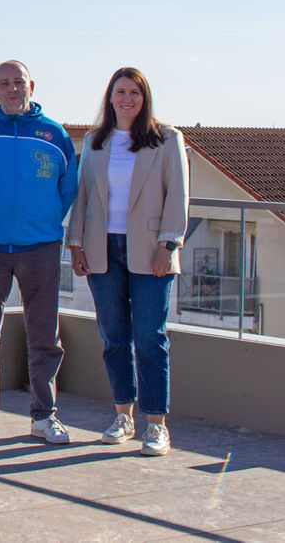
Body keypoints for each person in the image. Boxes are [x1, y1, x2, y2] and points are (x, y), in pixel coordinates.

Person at [67, 67, 189, 457]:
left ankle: (156, 424)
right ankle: (123, 416)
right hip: (102, 249)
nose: (127, 99)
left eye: (135, 92)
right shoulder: (96, 141)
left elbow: (178, 196)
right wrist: (76, 244)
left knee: (151, 338)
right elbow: (83, 196)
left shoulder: (167, 139)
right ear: (110, 97)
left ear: (145, 97)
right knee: (114, 337)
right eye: (120, 92)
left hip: (151, 250)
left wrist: (168, 245)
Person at [0, 60, 77, 444]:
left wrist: (42, 223)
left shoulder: (54, 134)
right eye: (4, 83)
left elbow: (68, 189)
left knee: (44, 337)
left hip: (40, 248)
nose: (12, 89)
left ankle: (45, 415)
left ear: (31, 86)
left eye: (18, 82)